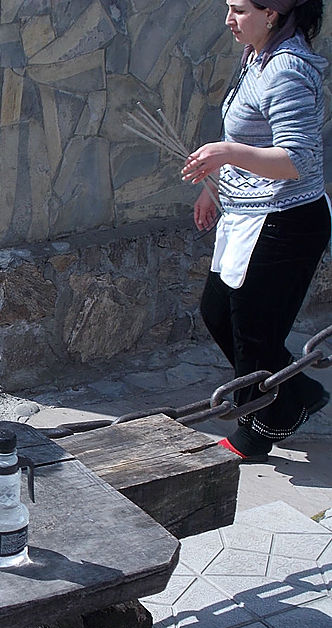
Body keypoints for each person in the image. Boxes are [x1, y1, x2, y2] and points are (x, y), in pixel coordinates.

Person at [182, 0, 330, 461]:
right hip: (248, 211)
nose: (228, 19)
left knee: (253, 331)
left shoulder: (285, 68)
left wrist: (225, 154)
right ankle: (297, 391)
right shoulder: (256, 56)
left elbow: (297, 160)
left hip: (287, 219)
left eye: (238, 9)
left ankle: (260, 426)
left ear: (272, 13)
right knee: (218, 312)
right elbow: (255, 143)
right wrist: (215, 186)